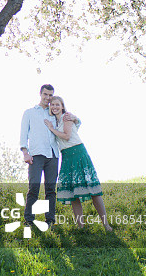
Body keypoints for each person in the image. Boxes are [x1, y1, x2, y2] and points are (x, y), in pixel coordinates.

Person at [45, 96, 112, 232]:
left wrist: (52, 129)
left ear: (62, 106)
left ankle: (106, 225)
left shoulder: (66, 117)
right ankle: (81, 227)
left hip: (78, 153)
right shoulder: (57, 120)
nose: (55, 107)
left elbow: (67, 136)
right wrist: (76, 119)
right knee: (73, 193)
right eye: (52, 105)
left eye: (57, 104)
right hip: (67, 156)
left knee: (93, 190)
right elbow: (78, 123)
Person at [19, 84, 78, 229]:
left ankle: (50, 220)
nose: (48, 97)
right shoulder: (30, 113)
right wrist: (25, 153)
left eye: (50, 95)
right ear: (40, 94)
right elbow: (23, 135)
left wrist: (75, 118)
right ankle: (29, 220)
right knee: (34, 187)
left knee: (51, 189)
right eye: (45, 94)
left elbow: (71, 127)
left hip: (53, 155)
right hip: (36, 154)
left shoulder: (55, 113)